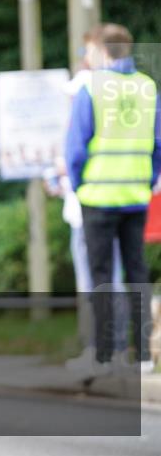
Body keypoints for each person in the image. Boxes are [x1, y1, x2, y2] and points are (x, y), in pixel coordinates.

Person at [65, 23, 160, 375]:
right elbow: (158, 145)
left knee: (101, 275)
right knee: (137, 273)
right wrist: (146, 181)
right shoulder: (148, 87)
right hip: (136, 197)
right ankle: (144, 356)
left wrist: (79, 186)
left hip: (98, 196)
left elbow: (75, 148)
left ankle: (105, 355)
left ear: (103, 52)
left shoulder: (92, 89)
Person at [45, 56, 127, 369]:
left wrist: (70, 180)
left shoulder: (91, 117)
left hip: (91, 213)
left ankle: (106, 351)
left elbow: (78, 159)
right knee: (104, 283)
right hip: (100, 210)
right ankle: (108, 350)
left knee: (98, 285)